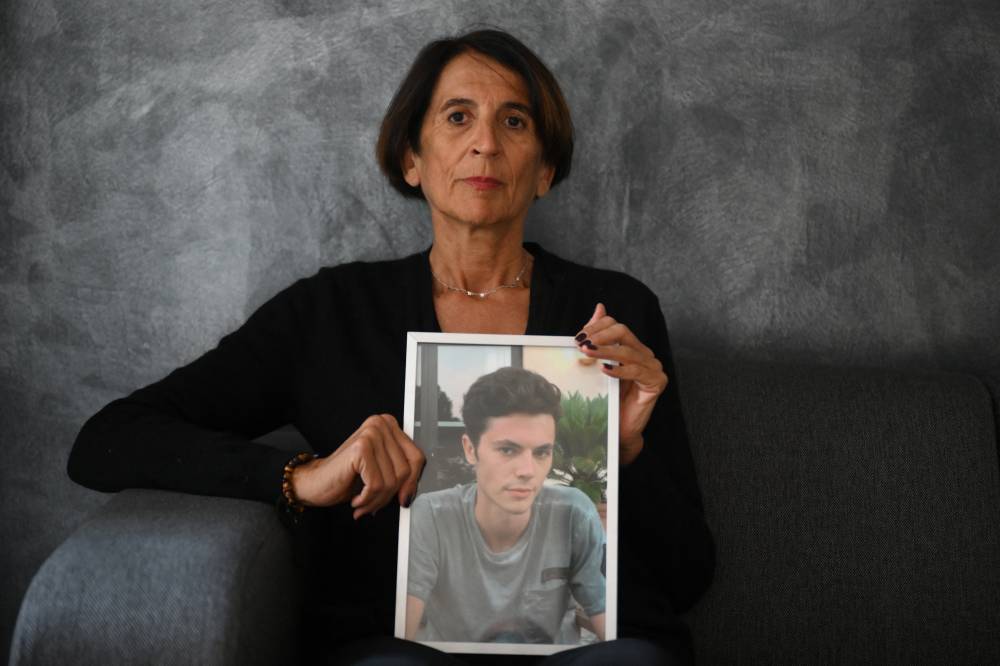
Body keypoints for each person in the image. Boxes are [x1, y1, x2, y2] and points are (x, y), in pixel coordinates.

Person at [68, 28, 714, 665]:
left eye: (515, 123)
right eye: (458, 117)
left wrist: (624, 453)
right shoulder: (329, 313)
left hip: (598, 648)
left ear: (544, 170)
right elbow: (106, 441)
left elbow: (688, 574)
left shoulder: (615, 314)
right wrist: (297, 477)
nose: (485, 144)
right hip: (395, 647)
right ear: (412, 158)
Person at [406, 367, 606, 645]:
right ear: (470, 449)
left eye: (541, 452)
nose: (527, 470)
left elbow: (605, 618)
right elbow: (402, 633)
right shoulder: (432, 516)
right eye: (508, 450)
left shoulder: (574, 513)